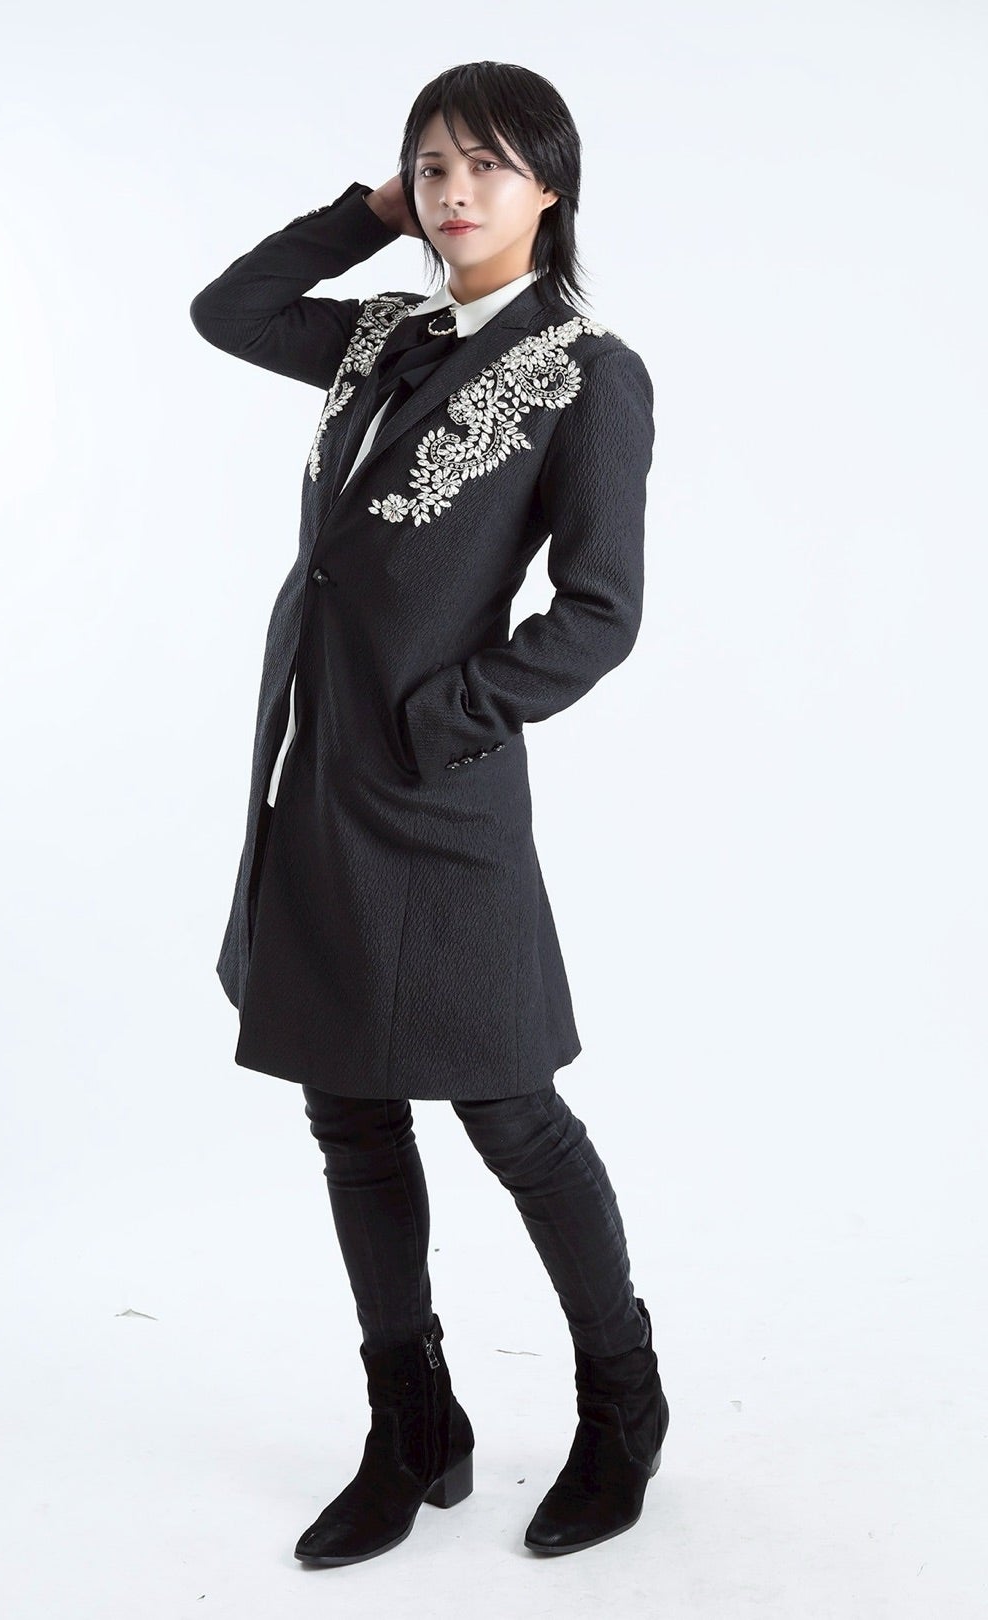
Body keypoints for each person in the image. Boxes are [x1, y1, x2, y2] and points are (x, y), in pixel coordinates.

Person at [189, 59, 668, 1564]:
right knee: (348, 1110)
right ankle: (413, 1424)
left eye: (488, 166)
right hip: (317, 772)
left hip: (441, 793)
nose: (458, 193)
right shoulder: (380, 338)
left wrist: (447, 714)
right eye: (436, 167)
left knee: (510, 1106)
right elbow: (230, 310)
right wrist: (368, 213)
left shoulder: (584, 371)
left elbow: (599, 612)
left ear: (551, 186)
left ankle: (623, 1404)